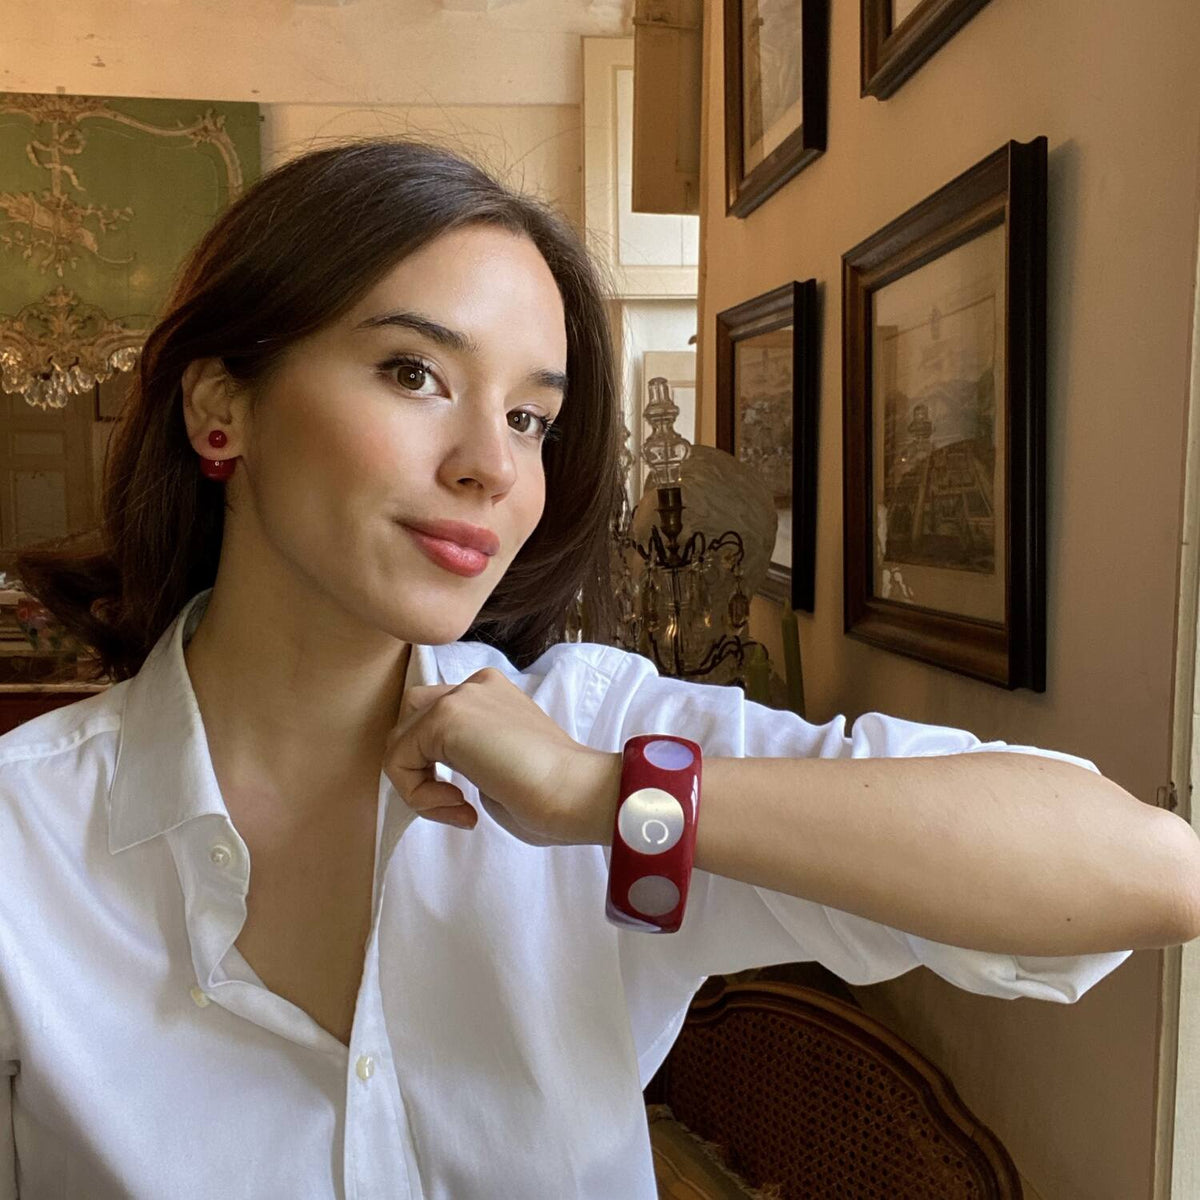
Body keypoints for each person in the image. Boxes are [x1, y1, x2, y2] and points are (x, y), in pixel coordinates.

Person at [0, 138, 1196, 1200]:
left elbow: (1147, 869)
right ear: (222, 408)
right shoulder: (27, 839)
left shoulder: (602, 740)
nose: (492, 467)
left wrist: (602, 798)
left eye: (533, 418)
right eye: (415, 373)